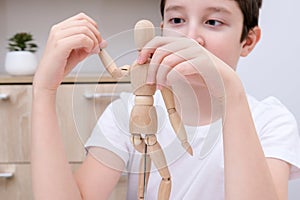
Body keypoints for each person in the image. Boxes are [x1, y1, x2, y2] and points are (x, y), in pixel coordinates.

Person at [31, 0, 300, 199]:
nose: (191, 38)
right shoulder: (125, 112)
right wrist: (43, 92)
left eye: (213, 22)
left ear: (248, 41)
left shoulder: (271, 122)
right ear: (160, 32)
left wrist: (232, 92)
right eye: (176, 21)